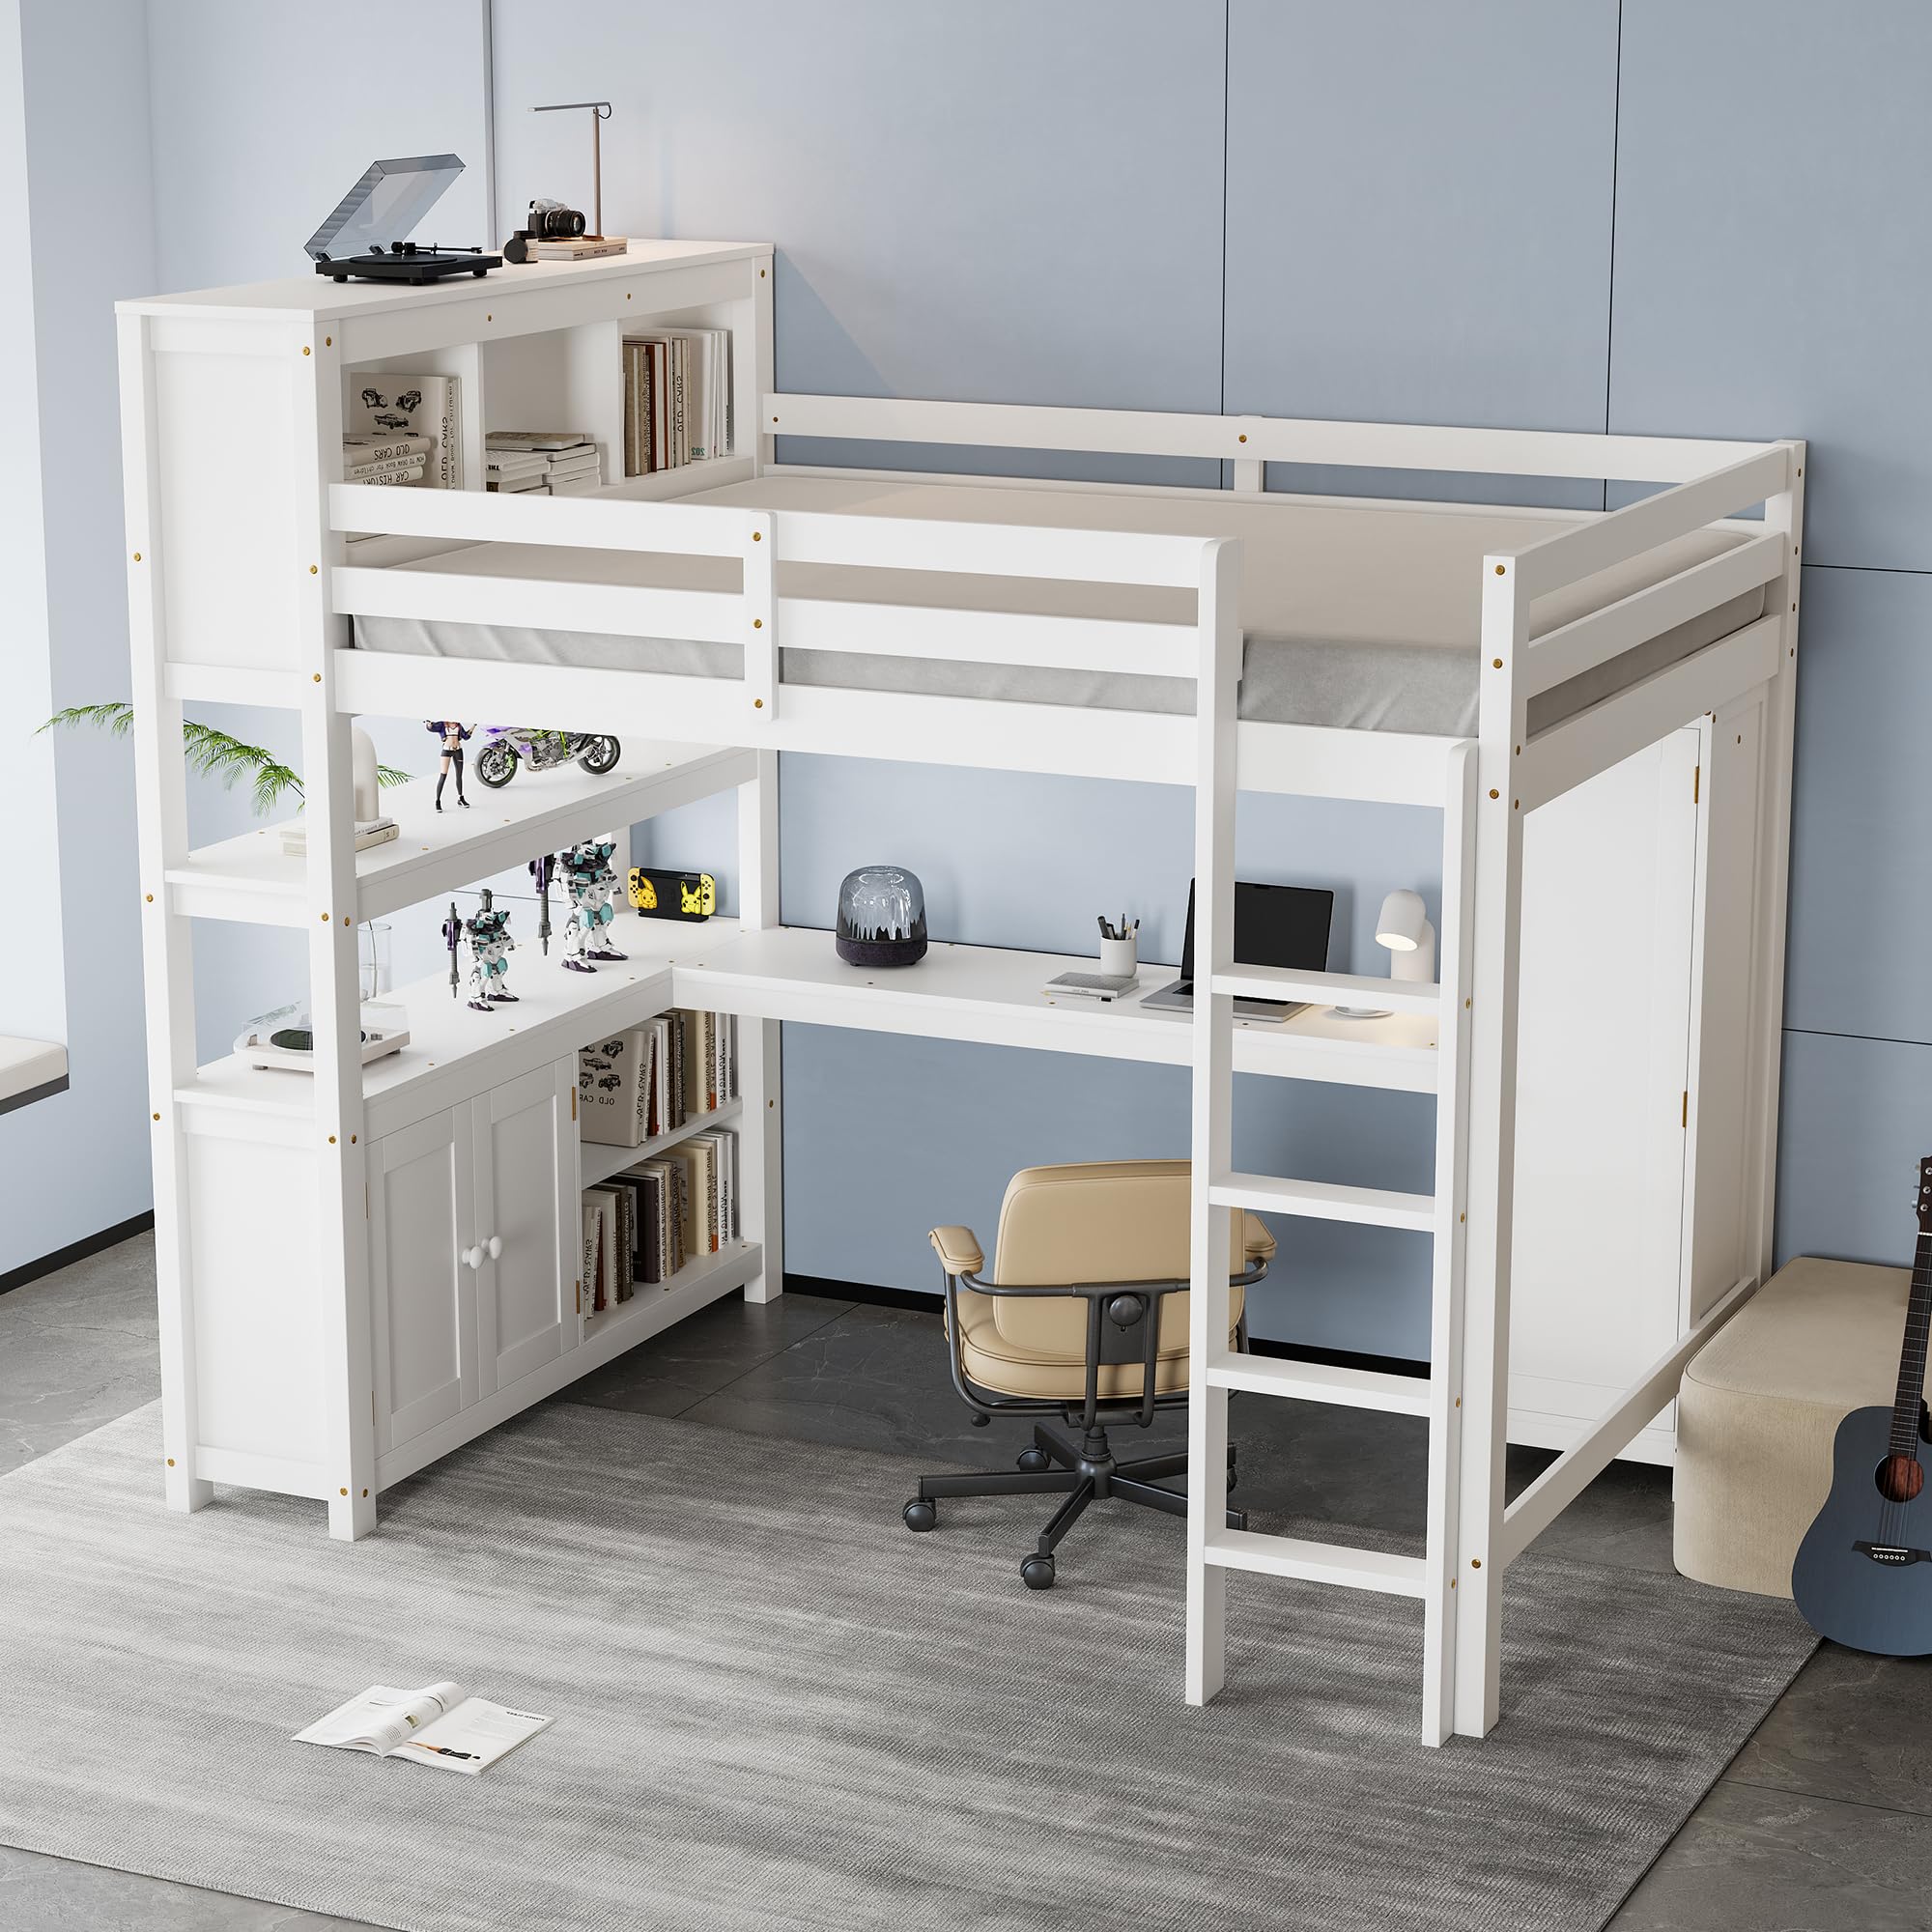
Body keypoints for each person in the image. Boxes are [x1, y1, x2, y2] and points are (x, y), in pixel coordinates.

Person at [424, 721, 472, 810]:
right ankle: (438, 801)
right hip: (447, 750)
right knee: (443, 775)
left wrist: (474, 725)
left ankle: (461, 798)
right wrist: (429, 724)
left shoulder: (458, 724)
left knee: (459, 775)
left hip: (458, 750)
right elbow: (432, 728)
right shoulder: (443, 724)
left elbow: (466, 736)